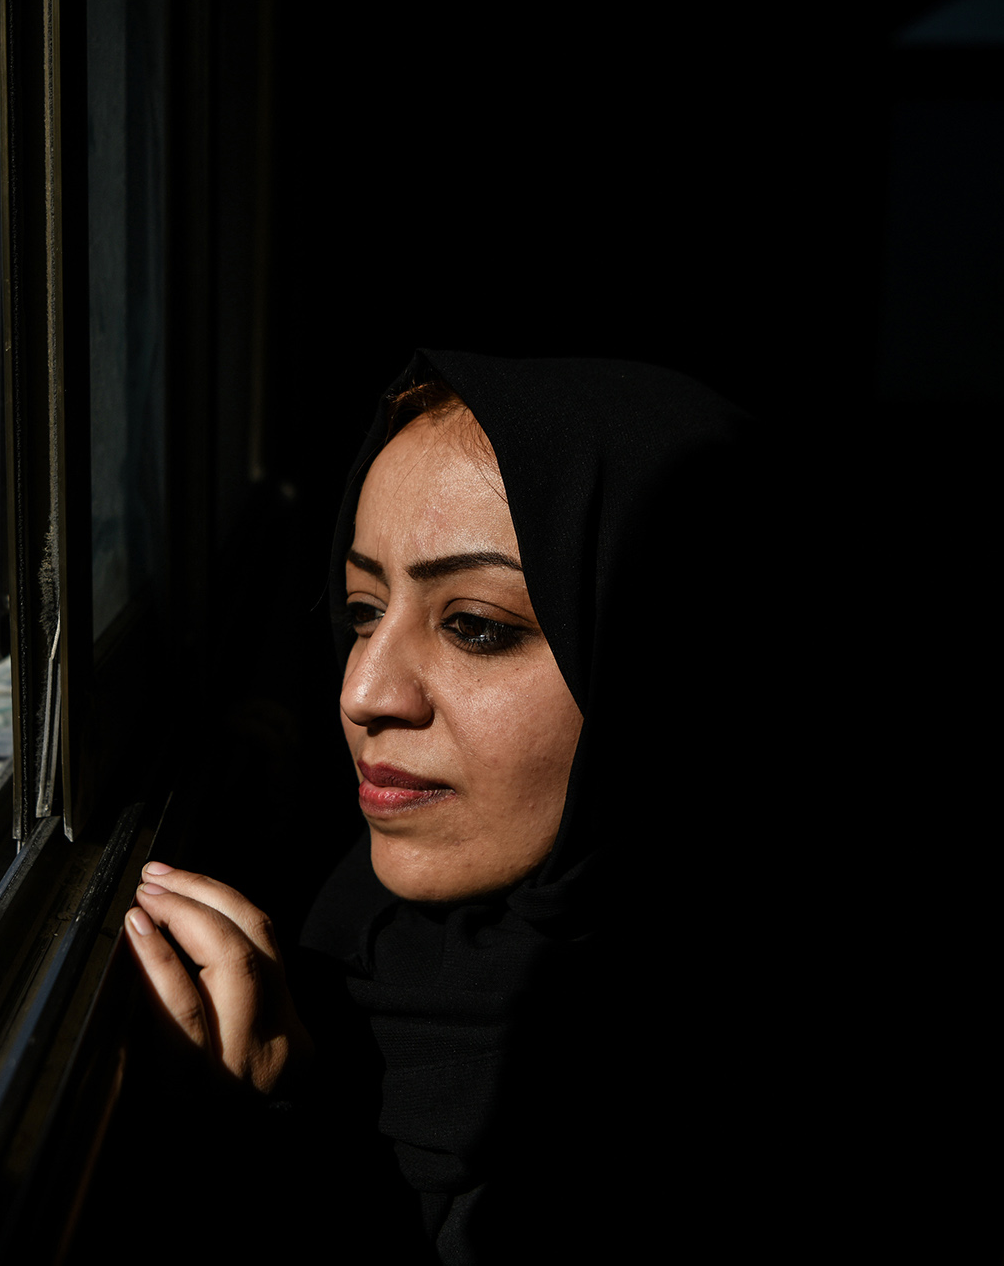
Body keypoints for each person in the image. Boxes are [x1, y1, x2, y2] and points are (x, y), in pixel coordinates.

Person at [122, 351, 811, 1263]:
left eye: (477, 625)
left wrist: (252, 1164)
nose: (364, 690)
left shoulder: (690, 1132)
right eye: (364, 609)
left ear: (672, 670)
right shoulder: (362, 946)